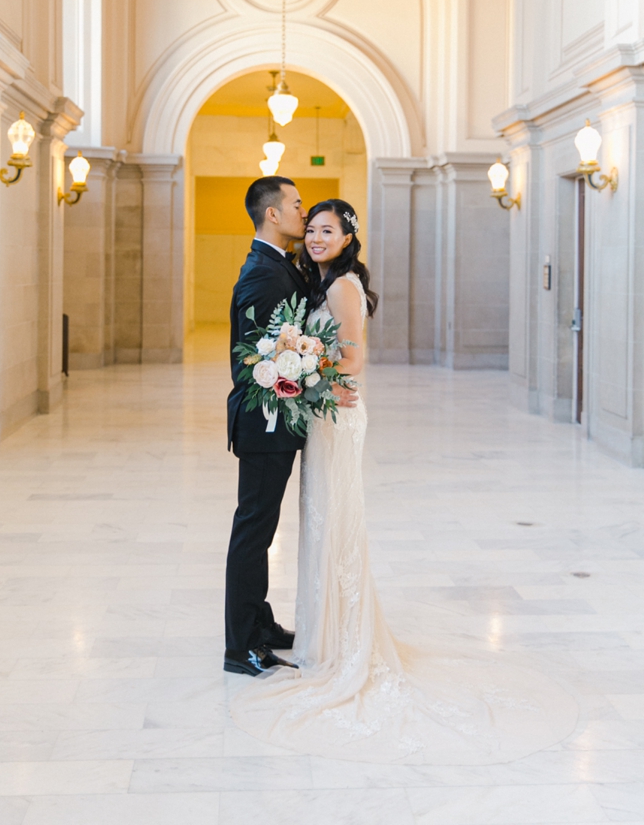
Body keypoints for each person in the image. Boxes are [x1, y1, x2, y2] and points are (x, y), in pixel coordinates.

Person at [229, 198, 578, 764]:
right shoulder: (317, 281)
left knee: (335, 519)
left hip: (336, 419)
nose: (315, 237)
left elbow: (354, 361)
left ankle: (343, 639)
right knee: (319, 520)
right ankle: (324, 634)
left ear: (347, 239)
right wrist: (302, 369)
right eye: (311, 227)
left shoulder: (341, 288)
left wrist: (308, 371)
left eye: (327, 230)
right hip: (318, 417)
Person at [223, 176, 355, 677]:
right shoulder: (262, 272)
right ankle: (241, 647)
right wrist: (323, 374)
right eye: (297, 205)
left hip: (280, 421)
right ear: (273, 214)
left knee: (262, 527)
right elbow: (265, 357)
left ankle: (261, 623)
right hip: (263, 422)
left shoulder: (280, 265)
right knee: (254, 531)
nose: (304, 213)